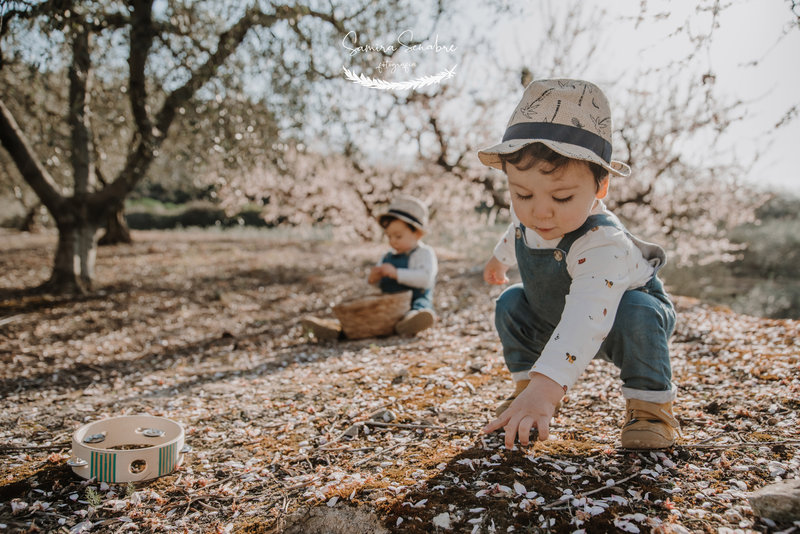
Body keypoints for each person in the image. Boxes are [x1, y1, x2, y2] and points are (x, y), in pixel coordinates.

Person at [478, 79, 679, 450]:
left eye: (562, 196)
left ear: (600, 187)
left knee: (639, 313)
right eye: (522, 193)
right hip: (551, 312)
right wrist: (498, 259)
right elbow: (515, 233)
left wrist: (548, 388)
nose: (539, 210)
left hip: (618, 320)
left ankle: (650, 409)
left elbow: (586, 317)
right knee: (510, 302)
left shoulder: (603, 243)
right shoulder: (534, 220)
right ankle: (525, 393)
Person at [301, 194, 437, 339]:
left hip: (412, 303)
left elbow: (426, 279)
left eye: (398, 236)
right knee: (365, 318)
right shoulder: (387, 257)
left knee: (417, 310)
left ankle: (410, 323)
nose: (393, 241)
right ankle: (337, 329)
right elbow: (375, 287)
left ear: (417, 233)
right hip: (387, 307)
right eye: (389, 236)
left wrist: (396, 273)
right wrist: (373, 279)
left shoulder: (424, 254)